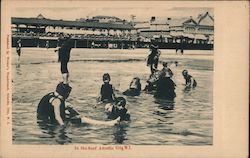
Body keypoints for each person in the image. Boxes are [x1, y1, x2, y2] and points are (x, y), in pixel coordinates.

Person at [37, 82, 120, 126]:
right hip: (47, 121)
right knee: (82, 120)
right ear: (65, 94)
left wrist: (75, 112)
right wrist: (63, 128)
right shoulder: (57, 101)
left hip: (43, 118)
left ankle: (81, 116)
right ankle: (107, 124)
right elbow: (57, 117)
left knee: (69, 108)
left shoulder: (53, 95)